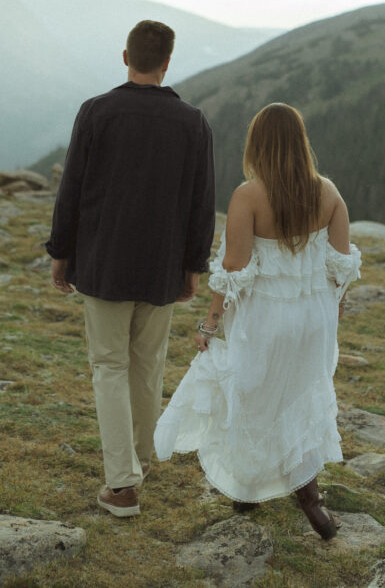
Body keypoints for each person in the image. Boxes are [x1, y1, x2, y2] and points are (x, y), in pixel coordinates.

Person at [154, 102, 361, 540]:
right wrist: (333, 307)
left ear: (258, 145)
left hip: (267, 318)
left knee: (252, 397)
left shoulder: (248, 195)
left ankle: (256, 492)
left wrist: (210, 323)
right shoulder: (328, 192)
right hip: (314, 320)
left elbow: (233, 270)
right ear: (301, 144)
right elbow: (341, 266)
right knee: (299, 399)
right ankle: (304, 503)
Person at [46, 20, 215, 517]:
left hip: (103, 263)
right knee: (147, 366)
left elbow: (71, 188)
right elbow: (200, 203)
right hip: (161, 266)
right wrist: (193, 267)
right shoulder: (193, 122)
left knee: (109, 366)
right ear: (167, 63)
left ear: (126, 57)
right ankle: (139, 457)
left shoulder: (97, 112)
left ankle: (122, 484)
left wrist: (61, 252)